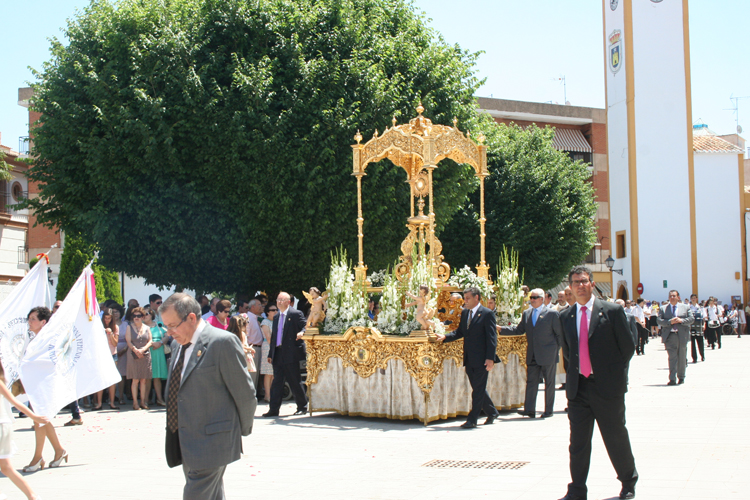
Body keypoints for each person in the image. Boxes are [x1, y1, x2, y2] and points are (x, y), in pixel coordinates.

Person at [161, 293, 256, 500]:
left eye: (173, 325)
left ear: (192, 318)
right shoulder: (178, 344)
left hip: (213, 441)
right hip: (185, 440)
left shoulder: (222, 342)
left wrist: (242, 429)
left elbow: (245, 393)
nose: (169, 332)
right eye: (166, 326)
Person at [559, 266, 637, 500]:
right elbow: (567, 351)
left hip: (607, 389)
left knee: (615, 437)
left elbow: (628, 347)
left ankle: (628, 482)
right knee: (578, 443)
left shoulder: (611, 311)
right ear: (570, 287)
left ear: (592, 284)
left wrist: (612, 376)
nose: (580, 285)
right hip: (578, 389)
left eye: (584, 281)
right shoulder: (565, 316)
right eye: (575, 282)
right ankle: (577, 490)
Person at [435, 287, 499, 429]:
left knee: (477, 389)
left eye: (468, 298)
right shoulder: (465, 314)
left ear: (477, 298)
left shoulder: (487, 314)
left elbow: (491, 337)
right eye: (465, 298)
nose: (466, 301)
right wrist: (445, 336)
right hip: (469, 357)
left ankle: (472, 419)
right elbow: (461, 332)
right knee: (478, 387)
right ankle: (492, 411)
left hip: (482, 358)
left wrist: (490, 358)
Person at [500, 288, 562, 419]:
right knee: (531, 382)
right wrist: (501, 329)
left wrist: (555, 350)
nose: (532, 300)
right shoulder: (527, 313)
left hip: (548, 354)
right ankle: (529, 409)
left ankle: (548, 410)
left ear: (542, 298)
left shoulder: (551, 314)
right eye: (531, 298)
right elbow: (519, 330)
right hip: (532, 353)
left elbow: (559, 335)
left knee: (549, 383)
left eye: (535, 298)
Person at [23, 307, 69, 472]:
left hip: (44, 384)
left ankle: (38, 458)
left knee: (40, 419)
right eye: (29, 318)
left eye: (33, 318)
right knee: (41, 419)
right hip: (36, 384)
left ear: (43, 322)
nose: (30, 321)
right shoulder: (35, 338)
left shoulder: (47, 340)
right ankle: (58, 451)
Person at [0, 359, 49, 499]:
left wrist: (35, 416)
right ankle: (32, 496)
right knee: (6, 467)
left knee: (6, 467)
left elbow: (14, 402)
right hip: (4, 426)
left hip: (2, 426)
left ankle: (32, 496)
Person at [263, 292, 308, 417]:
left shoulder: (295, 314)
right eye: (278, 300)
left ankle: (302, 406)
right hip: (278, 353)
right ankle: (274, 409)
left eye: (282, 300)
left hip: (291, 352)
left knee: (294, 380)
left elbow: (305, 326)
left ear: (288, 302)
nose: (279, 302)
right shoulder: (277, 316)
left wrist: (301, 333)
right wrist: (271, 353)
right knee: (277, 382)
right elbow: (274, 336)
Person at [126, 306, 153, 410]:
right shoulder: (129, 327)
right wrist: (136, 350)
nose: (136, 318)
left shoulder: (147, 328)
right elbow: (128, 341)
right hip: (133, 355)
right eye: (134, 316)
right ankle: (135, 402)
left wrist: (143, 350)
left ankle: (143, 401)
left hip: (145, 354)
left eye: (139, 316)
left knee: (143, 380)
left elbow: (150, 341)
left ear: (142, 317)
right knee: (135, 379)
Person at [96, 308, 120, 410]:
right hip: (101, 355)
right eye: (105, 318)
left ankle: (112, 402)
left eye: (109, 318)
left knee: (112, 380)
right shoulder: (98, 327)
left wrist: (110, 334)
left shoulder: (115, 327)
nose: (107, 320)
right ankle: (99, 403)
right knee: (100, 379)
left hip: (112, 354)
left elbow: (115, 343)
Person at [145, 308, 167, 406]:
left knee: (157, 377)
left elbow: (167, 335)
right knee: (147, 377)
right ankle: (144, 400)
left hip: (158, 351)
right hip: (147, 351)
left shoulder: (158, 325)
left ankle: (159, 399)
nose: (144, 316)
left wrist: (160, 342)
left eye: (146, 314)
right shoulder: (140, 326)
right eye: (143, 314)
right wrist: (150, 344)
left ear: (151, 315)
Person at [245, 299, 265, 392]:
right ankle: (250, 394)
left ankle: (255, 393)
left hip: (260, 348)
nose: (262, 306)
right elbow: (246, 335)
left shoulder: (257, 318)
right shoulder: (248, 318)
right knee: (252, 375)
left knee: (257, 375)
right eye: (259, 305)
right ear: (253, 307)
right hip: (252, 348)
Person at [259, 303, 278, 403]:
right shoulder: (265, 322)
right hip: (268, 347)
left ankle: (272, 394)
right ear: (267, 312)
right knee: (268, 373)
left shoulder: (277, 321)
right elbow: (268, 337)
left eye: (276, 310)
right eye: (273, 310)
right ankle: (267, 395)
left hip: (276, 347)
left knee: (274, 373)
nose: (275, 311)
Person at [689, 294, 705, 363]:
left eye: (694, 298)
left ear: (697, 299)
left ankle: (702, 355)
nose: (693, 299)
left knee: (700, 342)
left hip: (699, 327)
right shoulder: (688, 307)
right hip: (692, 327)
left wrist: (704, 325)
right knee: (693, 344)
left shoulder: (701, 307)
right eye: (692, 298)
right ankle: (694, 358)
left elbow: (704, 317)